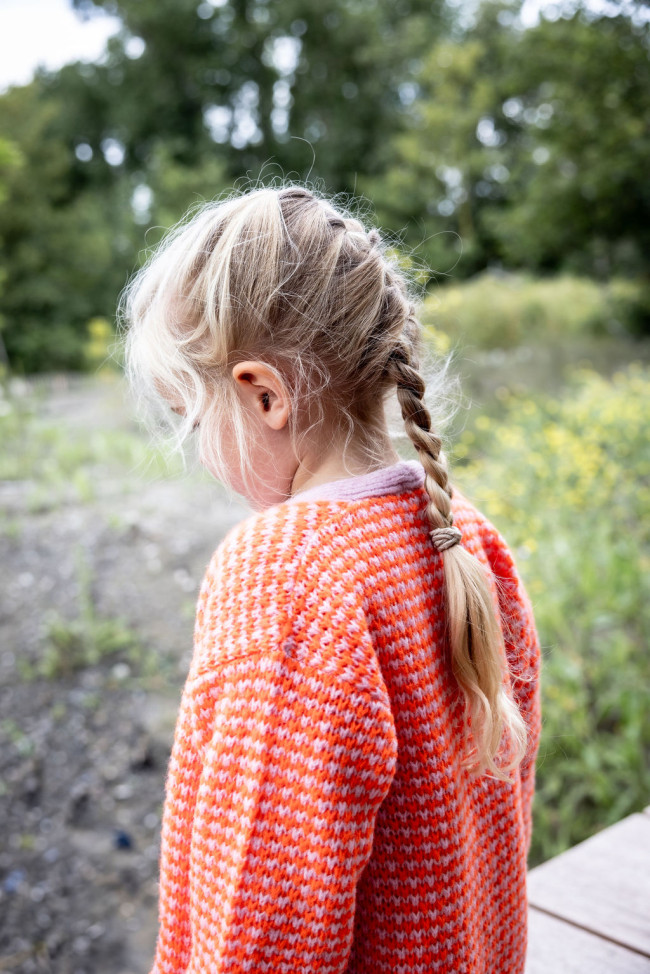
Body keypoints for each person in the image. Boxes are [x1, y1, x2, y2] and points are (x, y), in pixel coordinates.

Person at [122, 184, 542, 974]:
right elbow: (505, 802)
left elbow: (267, 913)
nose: (202, 454)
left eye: (194, 419)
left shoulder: (288, 570)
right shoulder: (466, 534)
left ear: (264, 394)